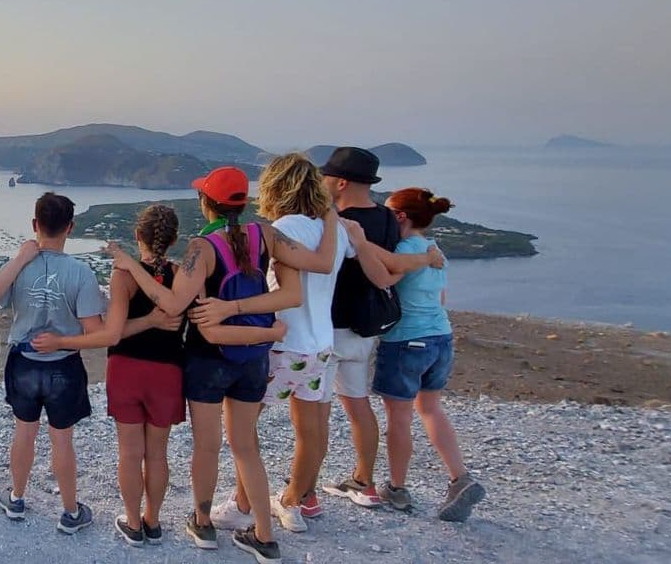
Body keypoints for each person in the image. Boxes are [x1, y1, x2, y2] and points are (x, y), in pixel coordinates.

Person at [120, 167, 332, 563]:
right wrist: (331, 215)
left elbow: (171, 304)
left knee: (207, 445)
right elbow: (303, 281)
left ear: (206, 203)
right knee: (246, 445)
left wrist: (132, 267)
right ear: (244, 202)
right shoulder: (266, 234)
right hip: (252, 356)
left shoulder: (203, 247)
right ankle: (264, 536)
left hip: (207, 358)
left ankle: (203, 523)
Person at [29, 205, 190, 546]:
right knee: (158, 453)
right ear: (174, 239)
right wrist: (156, 321)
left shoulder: (124, 276)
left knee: (130, 453)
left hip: (128, 370)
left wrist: (145, 321)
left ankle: (133, 523)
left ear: (137, 236)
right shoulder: (181, 276)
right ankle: (153, 521)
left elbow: (112, 332)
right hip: (168, 371)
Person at [317, 147, 443, 510]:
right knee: (358, 405)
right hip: (367, 328)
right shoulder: (388, 220)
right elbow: (391, 267)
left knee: (317, 410)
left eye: (327, 177)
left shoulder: (339, 223)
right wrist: (425, 259)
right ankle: (364, 482)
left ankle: (304, 492)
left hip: (332, 326)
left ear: (340, 182)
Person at [0, 192, 102, 535]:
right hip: (64, 365)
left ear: (35, 225)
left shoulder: (18, 267)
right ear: (70, 227)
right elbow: (94, 332)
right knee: (61, 439)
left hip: (23, 362)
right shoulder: (81, 272)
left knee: (24, 431)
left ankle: (17, 498)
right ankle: (70, 511)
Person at [371, 188, 485, 522]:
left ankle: (396, 487)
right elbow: (442, 298)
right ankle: (459, 477)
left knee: (399, 417)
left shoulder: (402, 251)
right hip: (441, 337)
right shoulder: (437, 252)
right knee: (431, 409)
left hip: (406, 340)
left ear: (401, 217)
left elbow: (381, 275)